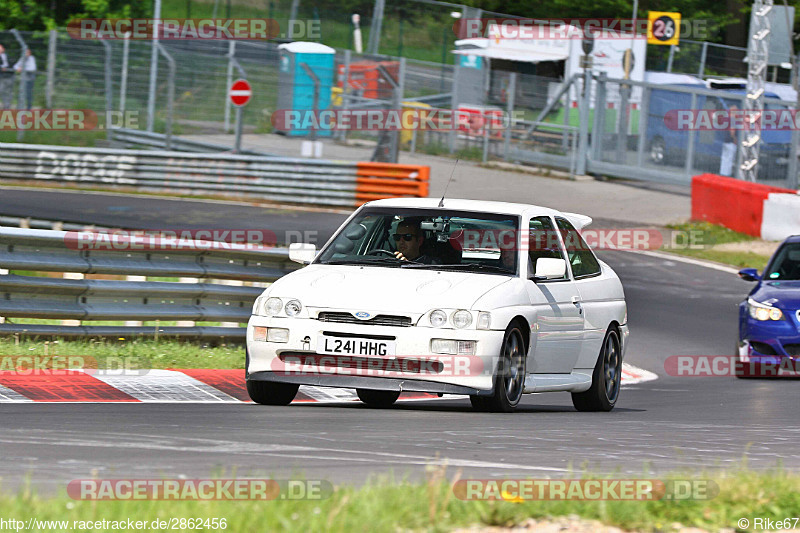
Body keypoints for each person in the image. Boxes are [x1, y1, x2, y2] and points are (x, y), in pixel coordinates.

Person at [719, 104, 738, 176]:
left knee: (724, 158)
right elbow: (732, 131)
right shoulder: (732, 119)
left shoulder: (726, 119)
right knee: (729, 159)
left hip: (725, 141)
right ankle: (727, 174)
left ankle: (722, 173)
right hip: (730, 142)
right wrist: (735, 139)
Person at [0, 44, 13, 109]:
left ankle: (7, 105)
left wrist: (7, 68)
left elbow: (12, 63)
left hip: (9, 75)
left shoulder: (8, 56)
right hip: (2, 76)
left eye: (1, 48)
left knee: (8, 91)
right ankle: (5, 103)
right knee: (1, 90)